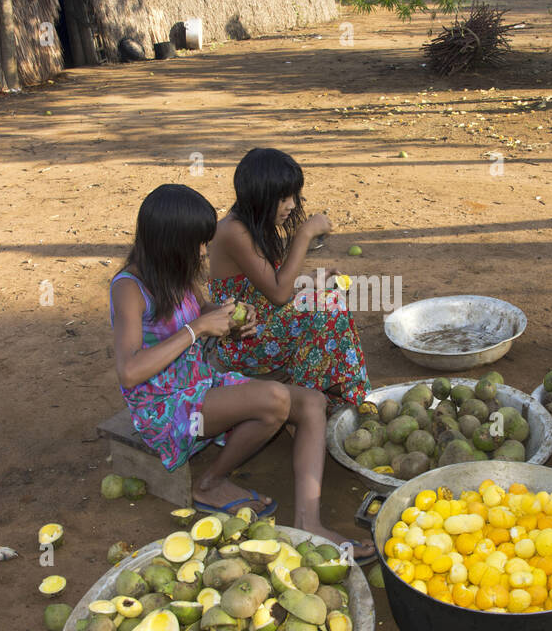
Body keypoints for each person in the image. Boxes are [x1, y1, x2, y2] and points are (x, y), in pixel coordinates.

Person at [111, 184, 374, 558]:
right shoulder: (129, 289)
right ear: (168, 241)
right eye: (197, 244)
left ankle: (309, 522)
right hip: (165, 407)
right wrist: (198, 330)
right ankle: (210, 483)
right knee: (274, 399)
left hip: (201, 384)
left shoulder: (178, 273)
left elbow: (200, 312)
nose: (203, 252)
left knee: (312, 403)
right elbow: (129, 371)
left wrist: (230, 317)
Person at [207, 147, 371, 411]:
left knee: (326, 299)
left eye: (293, 196)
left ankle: (345, 394)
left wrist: (308, 282)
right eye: (283, 198)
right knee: (327, 304)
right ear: (261, 196)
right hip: (242, 344)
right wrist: (304, 235)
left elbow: (266, 287)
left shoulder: (252, 225)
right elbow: (278, 294)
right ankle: (308, 403)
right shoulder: (232, 231)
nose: (292, 205)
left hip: (265, 328)